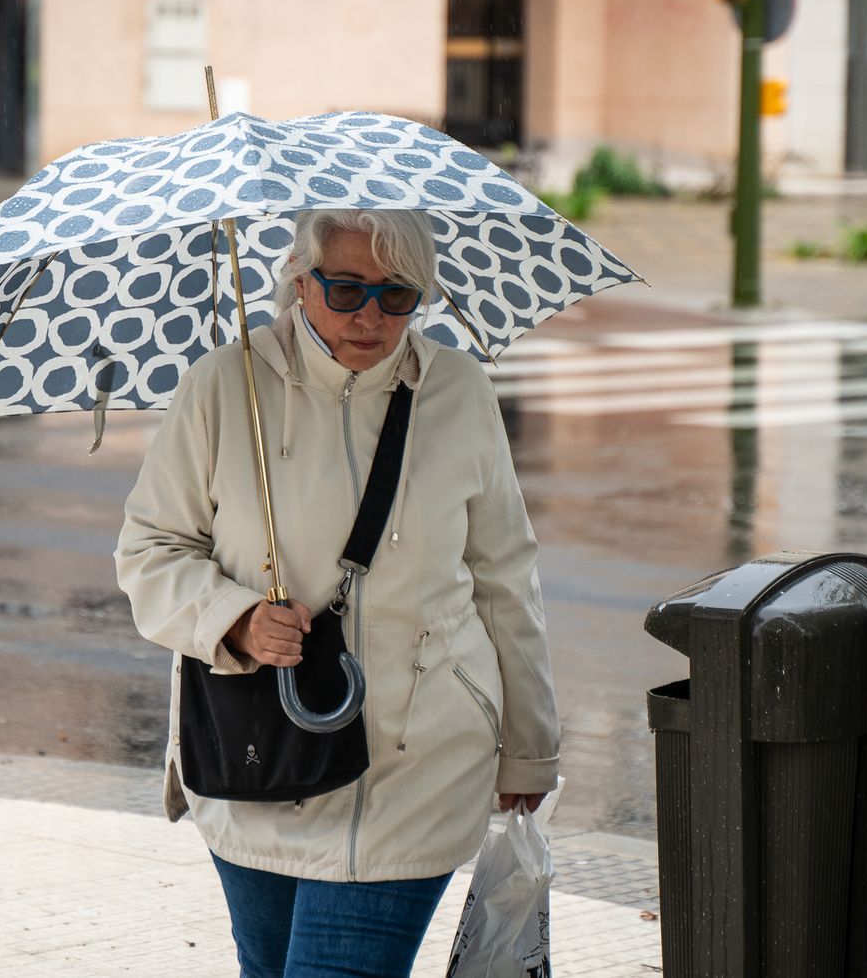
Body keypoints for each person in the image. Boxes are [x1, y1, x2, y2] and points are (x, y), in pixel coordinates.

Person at [114, 208, 559, 977]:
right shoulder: (226, 386)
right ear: (298, 282)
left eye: (397, 296)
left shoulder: (457, 392)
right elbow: (149, 551)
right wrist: (236, 619)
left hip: (415, 766)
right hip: (259, 755)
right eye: (346, 289)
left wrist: (529, 748)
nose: (371, 316)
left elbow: (505, 580)